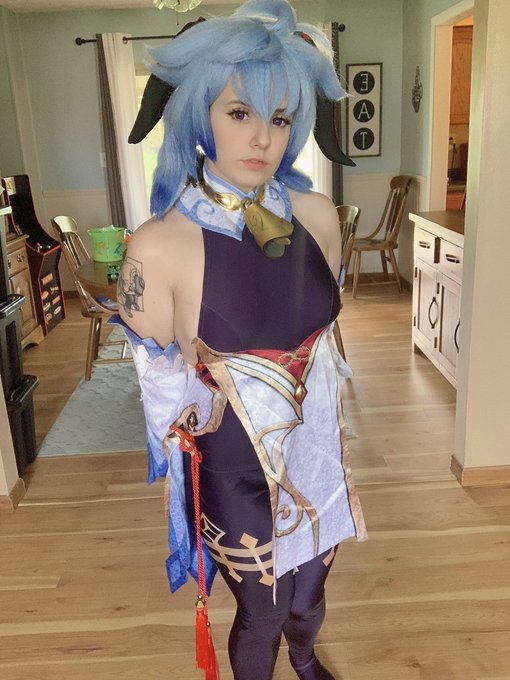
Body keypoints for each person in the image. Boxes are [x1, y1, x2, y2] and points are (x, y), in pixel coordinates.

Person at [113, 1, 367, 678]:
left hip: (316, 451)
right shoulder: (157, 246)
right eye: (239, 113)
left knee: (309, 600)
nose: (262, 138)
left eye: (280, 118)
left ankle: (306, 661)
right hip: (233, 467)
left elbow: (323, 339)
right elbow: (161, 391)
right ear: (201, 116)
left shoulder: (318, 216)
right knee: (265, 609)